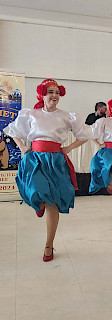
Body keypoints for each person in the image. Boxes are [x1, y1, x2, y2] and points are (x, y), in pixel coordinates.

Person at [3, 79, 91, 262]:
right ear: (42, 95)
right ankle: (39, 203)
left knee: (53, 202)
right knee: (35, 190)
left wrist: (68, 148)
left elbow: (85, 135)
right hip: (35, 159)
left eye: (57, 92)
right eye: (50, 92)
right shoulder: (32, 114)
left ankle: (49, 244)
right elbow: (13, 131)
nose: (54, 95)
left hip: (56, 161)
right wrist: (21, 147)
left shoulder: (67, 116)